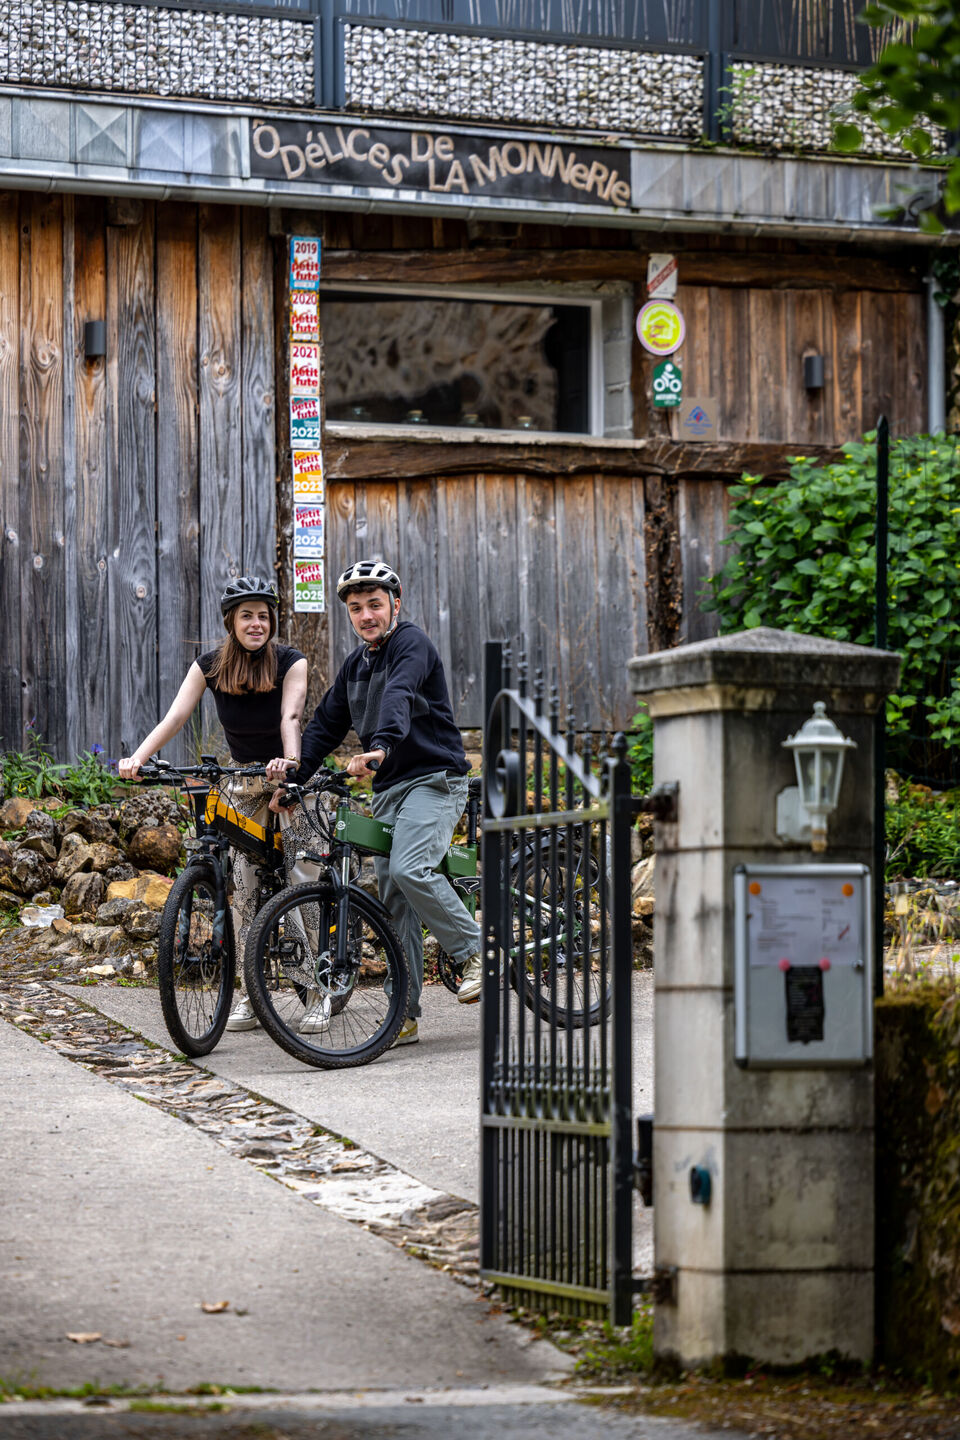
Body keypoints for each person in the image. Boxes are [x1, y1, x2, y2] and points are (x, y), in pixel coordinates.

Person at [279, 559, 482, 1047]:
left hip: (433, 780)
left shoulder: (410, 644)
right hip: (390, 790)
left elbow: (399, 693)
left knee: (411, 870)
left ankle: (475, 951)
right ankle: (403, 1010)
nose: (366, 615)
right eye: (356, 608)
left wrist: (383, 744)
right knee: (395, 900)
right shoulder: (355, 665)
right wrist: (296, 781)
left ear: (396, 603)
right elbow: (325, 726)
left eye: (375, 604)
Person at [119, 576, 310, 1033]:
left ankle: (319, 988)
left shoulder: (291, 661)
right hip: (242, 780)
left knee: (300, 879)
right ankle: (250, 993)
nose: (256, 623)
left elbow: (292, 716)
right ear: (231, 621)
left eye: (264, 616)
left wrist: (291, 764)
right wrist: (138, 759)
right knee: (241, 890)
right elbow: (176, 716)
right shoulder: (209, 665)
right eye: (247, 615)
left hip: (289, 781)